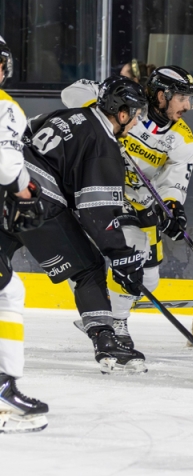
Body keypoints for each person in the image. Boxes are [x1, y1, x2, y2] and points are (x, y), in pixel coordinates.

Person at [6, 76, 150, 374]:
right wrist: (121, 256)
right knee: (89, 268)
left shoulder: (70, 115)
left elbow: (26, 133)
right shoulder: (103, 146)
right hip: (35, 199)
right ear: (122, 113)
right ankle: (106, 340)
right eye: (136, 116)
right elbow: (96, 214)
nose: (137, 123)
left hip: (7, 184)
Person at [61, 66, 193, 348]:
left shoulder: (184, 141)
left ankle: (107, 308)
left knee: (149, 278)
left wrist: (172, 208)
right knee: (124, 253)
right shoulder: (128, 103)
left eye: (189, 99)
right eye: (182, 97)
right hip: (103, 191)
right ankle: (116, 323)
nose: (187, 106)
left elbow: (174, 183)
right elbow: (69, 94)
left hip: (141, 202)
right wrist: (104, 94)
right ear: (162, 95)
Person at [0, 36, 49, 433]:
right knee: (9, 294)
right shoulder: (5, 107)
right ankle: (3, 391)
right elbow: (4, 164)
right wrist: (24, 189)